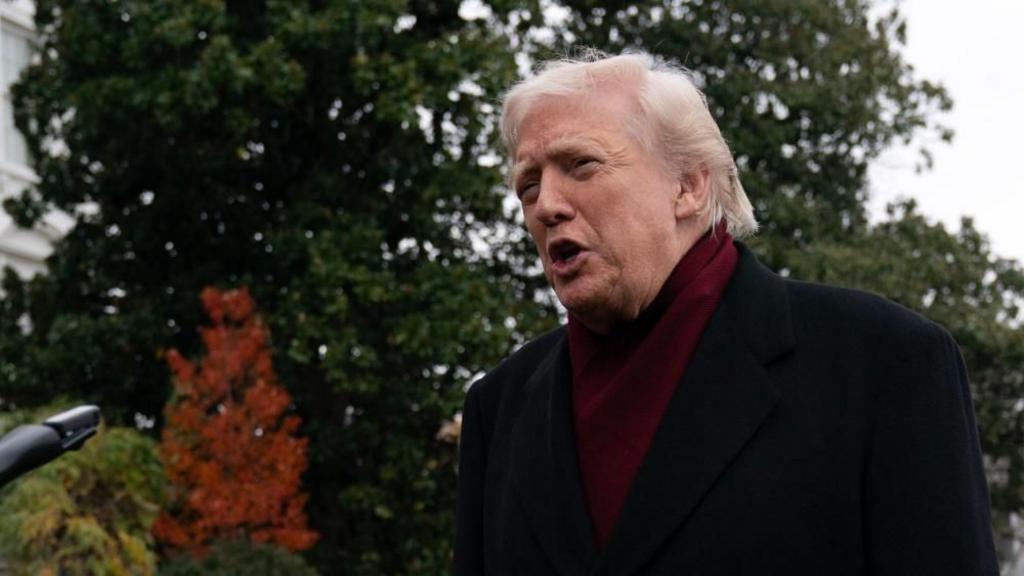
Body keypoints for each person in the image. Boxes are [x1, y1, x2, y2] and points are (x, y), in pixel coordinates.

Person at [454, 50, 998, 575]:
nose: (546, 204)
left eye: (581, 165)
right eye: (528, 184)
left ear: (689, 185)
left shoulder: (884, 362)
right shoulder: (498, 408)